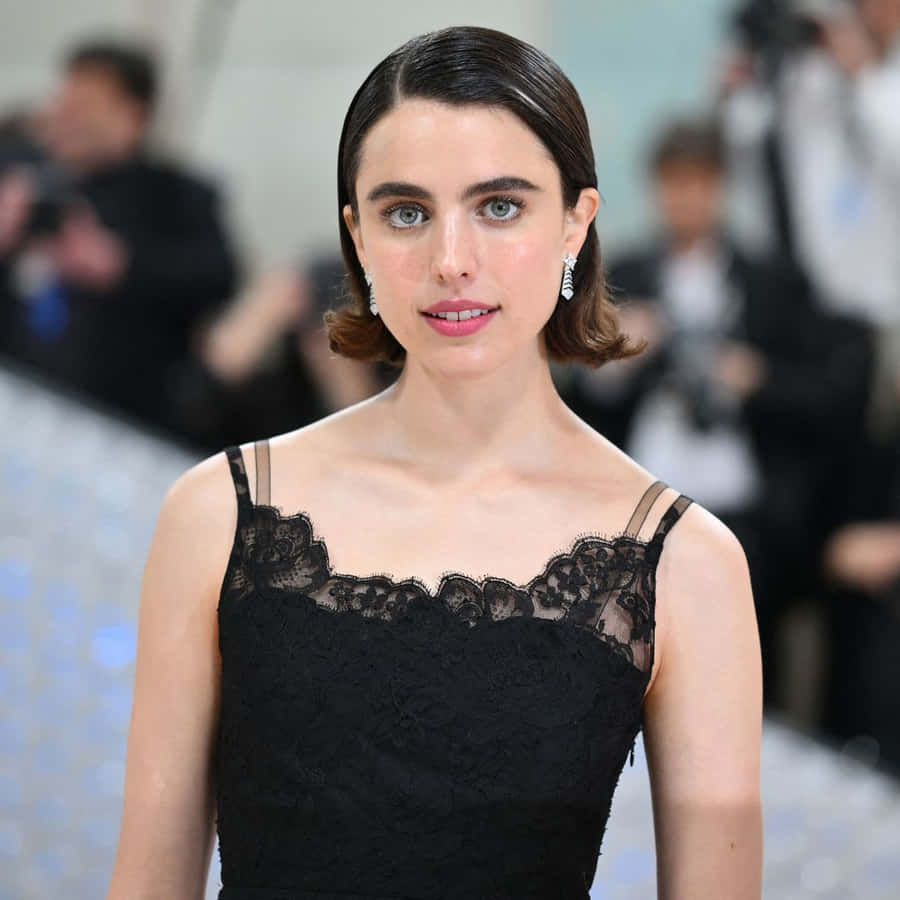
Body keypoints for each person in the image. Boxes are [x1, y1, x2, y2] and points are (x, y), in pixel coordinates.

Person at [106, 26, 762, 899]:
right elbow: (149, 880)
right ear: (358, 236)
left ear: (576, 222)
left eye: (499, 206)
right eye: (407, 212)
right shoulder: (220, 511)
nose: (451, 261)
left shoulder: (686, 561)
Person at [562, 118, 874, 711]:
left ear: (721, 187)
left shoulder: (771, 281)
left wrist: (757, 379)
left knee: (746, 670)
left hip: (748, 509)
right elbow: (578, 400)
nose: (686, 199)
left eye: (699, 183)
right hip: (639, 506)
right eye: (674, 184)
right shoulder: (617, 277)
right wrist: (616, 359)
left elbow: (827, 398)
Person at [0, 38, 238, 436]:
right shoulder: (18, 173)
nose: (68, 117)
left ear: (133, 116)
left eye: (87, 107)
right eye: (66, 101)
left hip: (121, 420)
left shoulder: (178, 195)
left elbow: (220, 277)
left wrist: (120, 266)